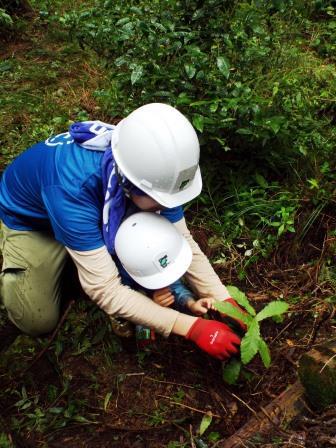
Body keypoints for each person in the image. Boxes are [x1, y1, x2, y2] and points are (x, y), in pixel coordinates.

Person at [0, 103, 243, 360]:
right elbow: (105, 289)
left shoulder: (152, 170)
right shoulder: (72, 186)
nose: (168, 207)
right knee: (36, 320)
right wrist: (191, 328)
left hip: (85, 210)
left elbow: (184, 242)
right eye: (161, 201)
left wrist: (222, 298)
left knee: (142, 254)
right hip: (34, 223)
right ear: (129, 184)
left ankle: (85, 252)